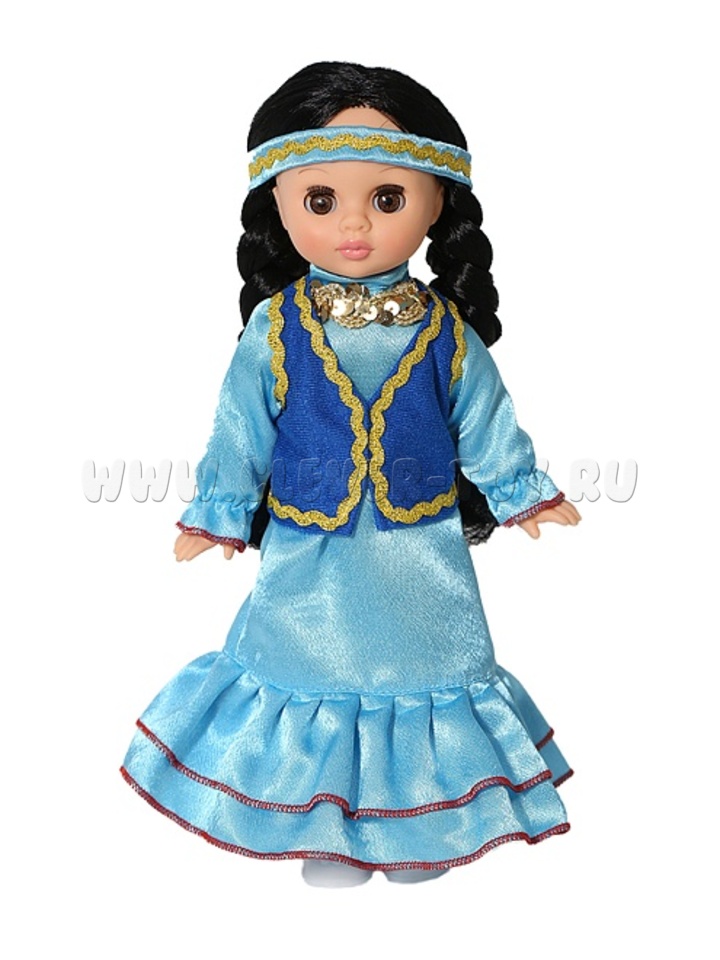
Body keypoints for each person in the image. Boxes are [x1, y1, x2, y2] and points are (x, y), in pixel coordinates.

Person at [121, 61, 581, 888]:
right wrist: (219, 510)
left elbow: (484, 418)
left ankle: (421, 824)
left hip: (421, 557)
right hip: (311, 557)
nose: (356, 225)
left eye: (389, 198)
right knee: (307, 672)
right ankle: (326, 833)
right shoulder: (276, 327)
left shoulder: (444, 330)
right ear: (280, 204)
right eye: (322, 200)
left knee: (427, 672)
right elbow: (240, 427)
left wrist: (522, 494)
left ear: (437, 204)